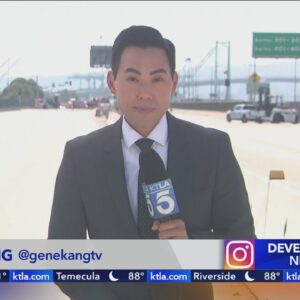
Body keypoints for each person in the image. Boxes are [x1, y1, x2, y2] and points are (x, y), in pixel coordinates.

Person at [48, 25, 256, 299]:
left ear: (174, 82)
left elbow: (245, 248)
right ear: (112, 82)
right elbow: (63, 258)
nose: (145, 93)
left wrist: (193, 246)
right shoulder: (80, 156)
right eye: (133, 79)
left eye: (157, 79)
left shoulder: (213, 149)